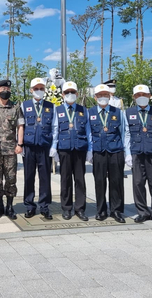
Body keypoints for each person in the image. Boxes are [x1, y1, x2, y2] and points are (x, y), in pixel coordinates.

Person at [124, 85, 152, 227]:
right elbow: (127, 134)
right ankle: (143, 212)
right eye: (138, 95)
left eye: (144, 94)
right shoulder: (128, 112)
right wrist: (128, 153)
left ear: (149, 96)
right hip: (136, 152)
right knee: (138, 183)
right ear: (134, 97)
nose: (141, 97)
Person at [50, 81, 90, 221]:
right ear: (62, 94)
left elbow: (88, 131)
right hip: (64, 148)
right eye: (67, 92)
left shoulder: (83, 110)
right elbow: (55, 129)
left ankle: (80, 209)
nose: (70, 94)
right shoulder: (57, 110)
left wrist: (90, 149)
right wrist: (54, 147)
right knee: (65, 179)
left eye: (73, 92)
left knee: (80, 180)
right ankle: (66, 208)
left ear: (77, 94)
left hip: (79, 148)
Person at [88, 84, 128, 223]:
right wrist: (89, 151)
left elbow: (123, 132)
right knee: (99, 182)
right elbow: (88, 133)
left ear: (110, 96)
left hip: (115, 151)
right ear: (95, 97)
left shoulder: (118, 112)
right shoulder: (90, 112)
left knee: (116, 182)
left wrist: (125, 151)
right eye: (100, 95)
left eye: (105, 95)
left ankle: (116, 211)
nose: (103, 97)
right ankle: (101, 210)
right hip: (98, 151)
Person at [21, 77, 55, 219]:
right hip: (29, 147)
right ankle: (29, 205)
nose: (39, 91)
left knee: (45, 177)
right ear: (31, 90)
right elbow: (21, 126)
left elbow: (54, 127)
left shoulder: (51, 106)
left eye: (41, 88)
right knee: (29, 176)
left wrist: (53, 146)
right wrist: (21, 145)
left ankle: (44, 206)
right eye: (36, 89)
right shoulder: (24, 105)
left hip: (44, 146)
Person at [0, 79, 23, 220]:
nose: (6, 91)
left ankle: (10, 206)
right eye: (3, 89)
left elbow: (20, 126)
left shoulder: (15, 108)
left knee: (11, 179)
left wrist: (19, 144)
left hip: (11, 150)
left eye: (8, 89)